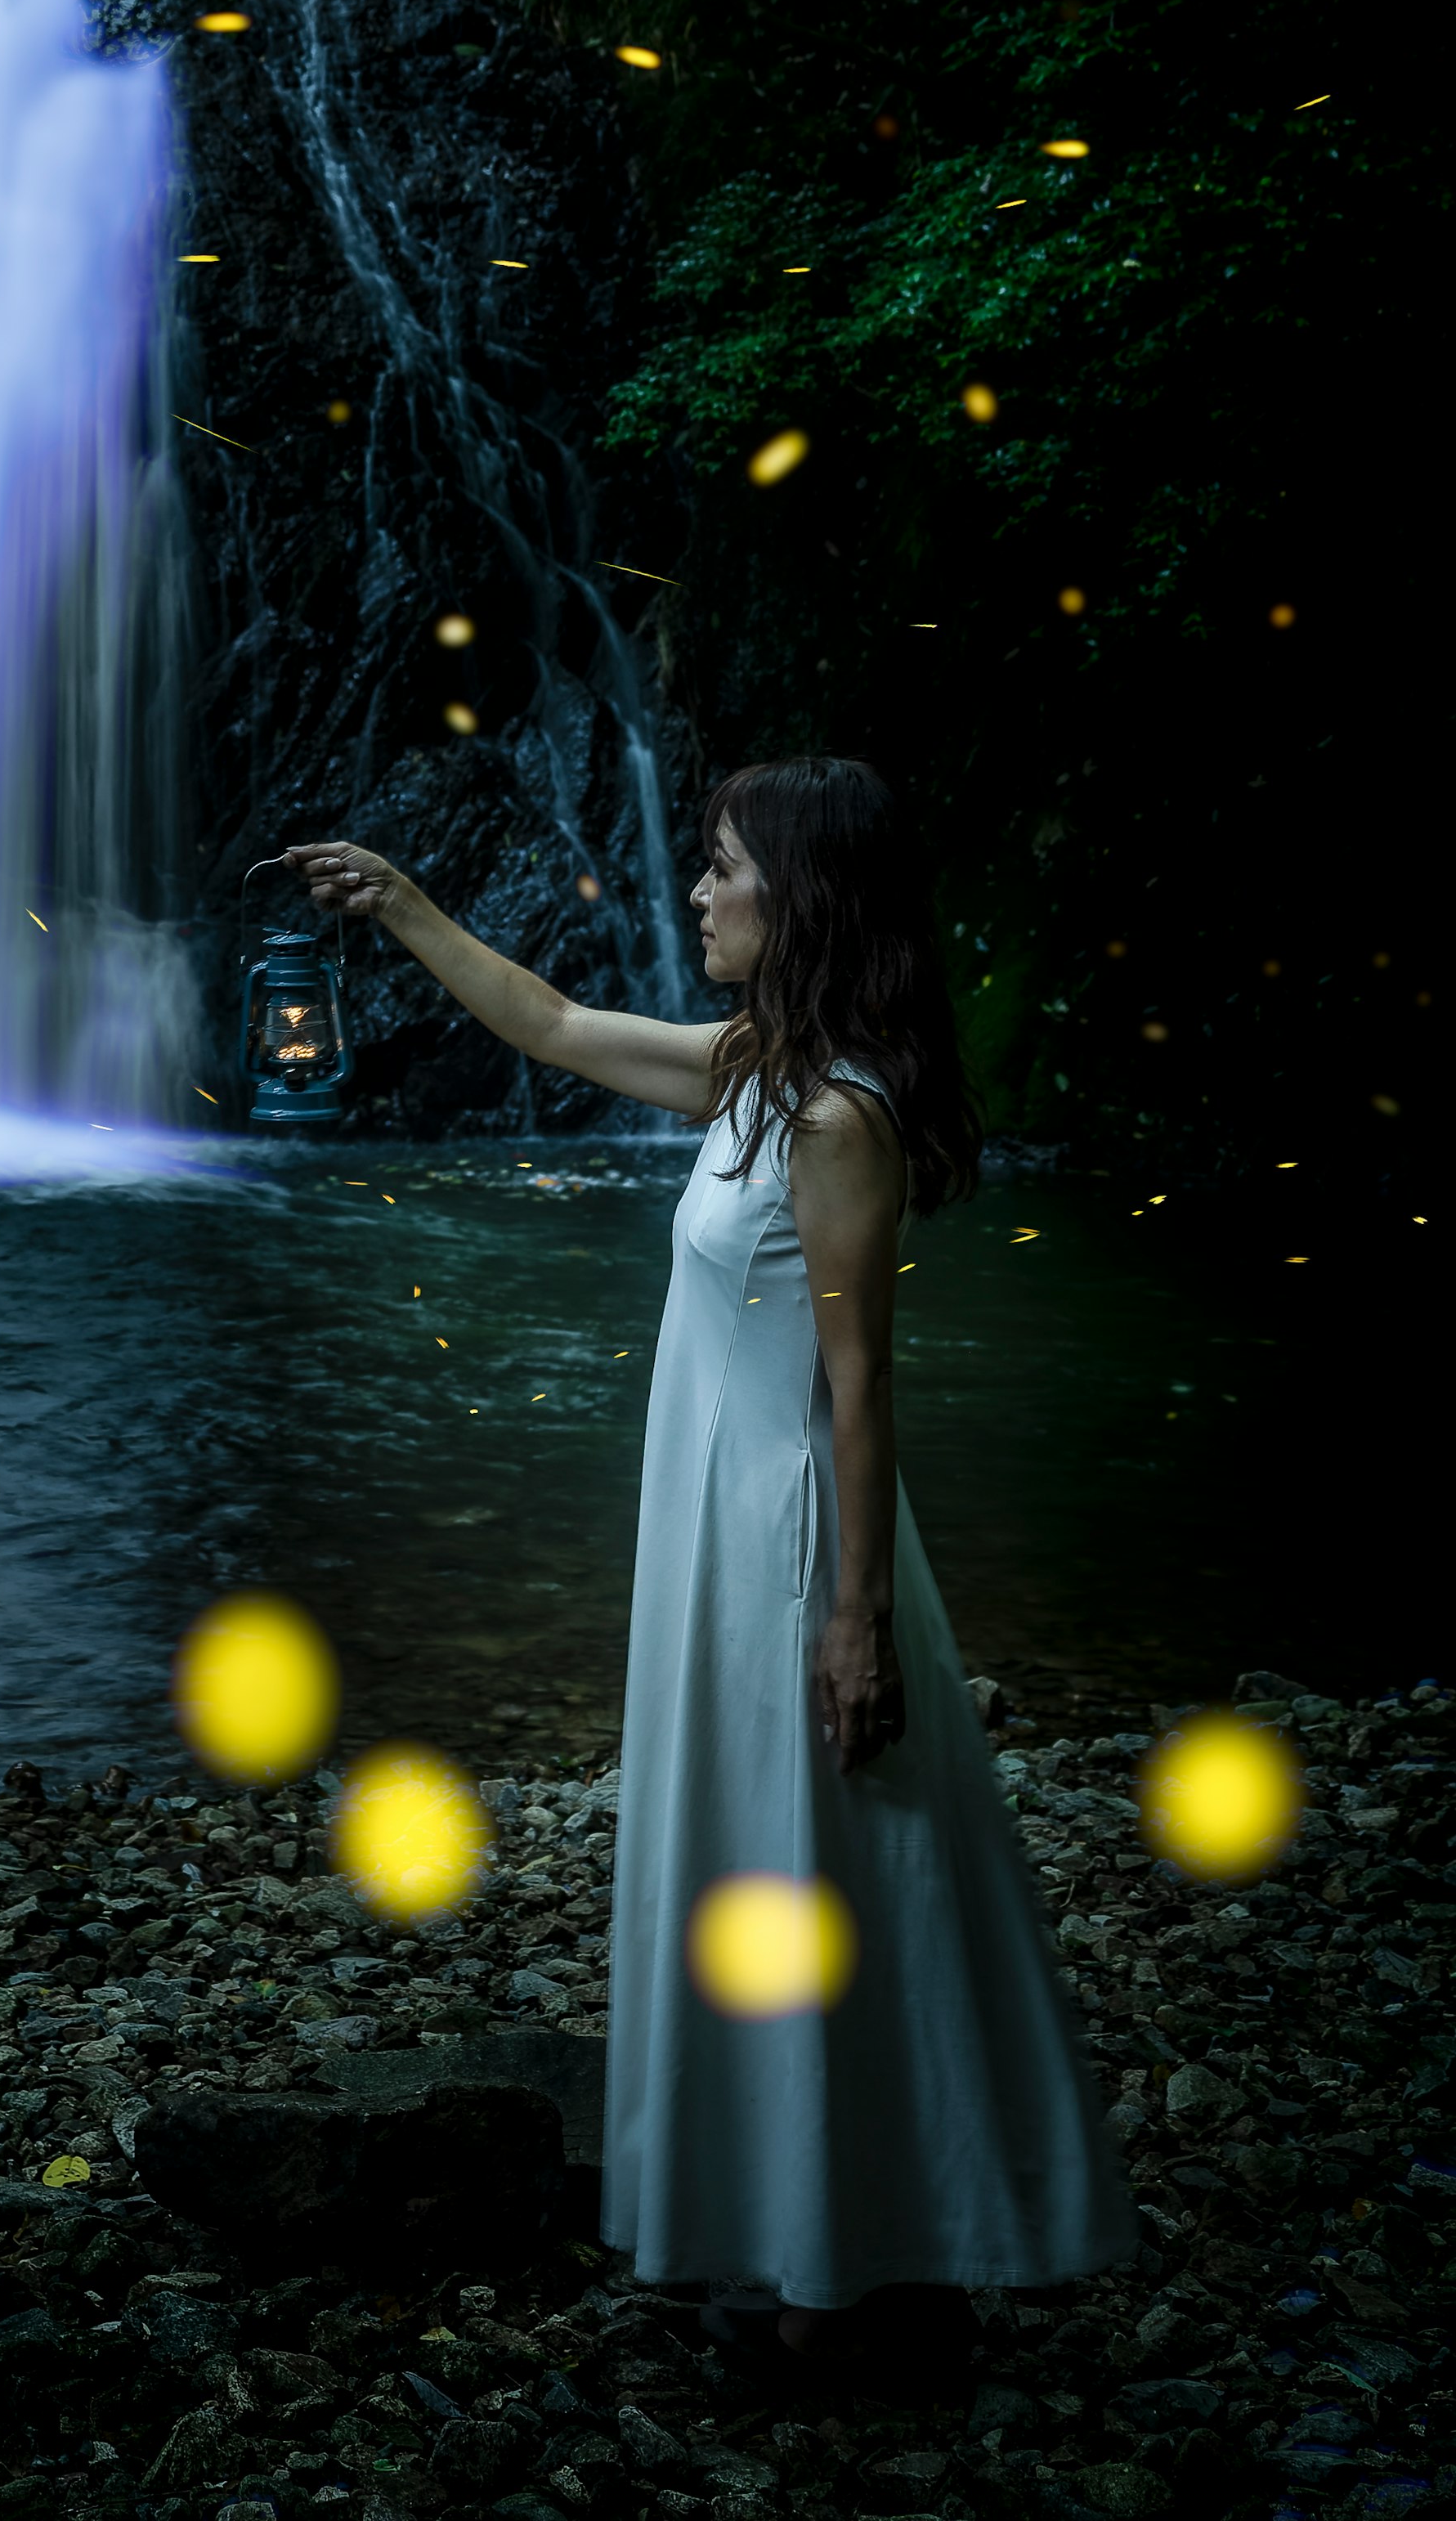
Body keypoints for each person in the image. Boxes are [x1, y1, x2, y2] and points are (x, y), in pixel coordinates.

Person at [278, 758, 1133, 2369]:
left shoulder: (835, 1116)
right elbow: (546, 1023)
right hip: (717, 1522)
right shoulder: (758, 1068)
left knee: (818, 1878)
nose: (695, 890)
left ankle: (851, 2281)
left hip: (787, 1547)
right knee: (764, 1874)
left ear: (793, 899)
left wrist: (857, 1621)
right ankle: (793, 2224)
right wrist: (399, 905)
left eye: (723, 867)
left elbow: (863, 1383)